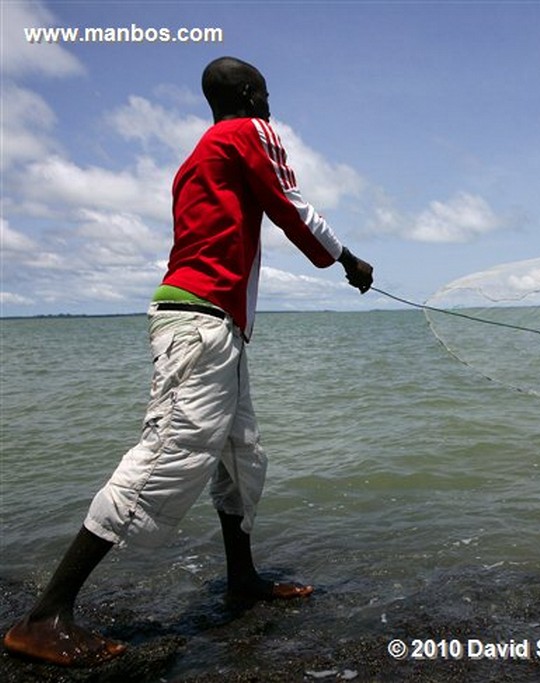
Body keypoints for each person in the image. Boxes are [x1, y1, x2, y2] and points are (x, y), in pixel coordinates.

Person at [3, 56, 374, 668]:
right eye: (268, 94)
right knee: (166, 456)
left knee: (241, 454)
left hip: (212, 325)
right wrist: (347, 261)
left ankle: (241, 579)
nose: (271, 106)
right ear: (251, 93)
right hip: (200, 326)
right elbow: (290, 205)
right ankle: (44, 616)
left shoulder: (196, 158)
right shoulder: (245, 133)